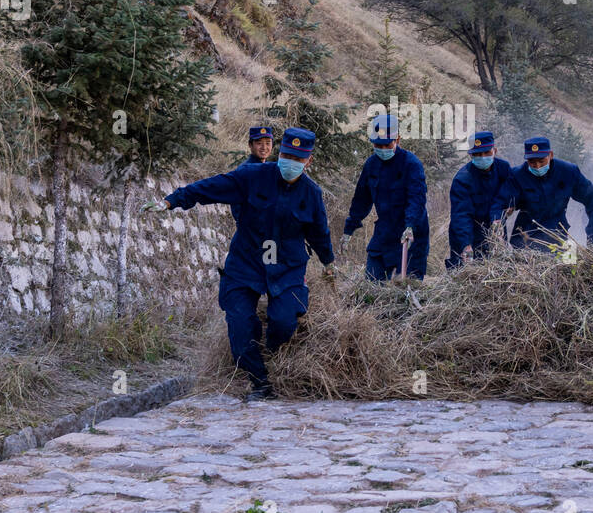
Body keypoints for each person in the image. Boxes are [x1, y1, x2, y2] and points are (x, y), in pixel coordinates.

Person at [158, 127, 333, 401]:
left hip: (286, 266)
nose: (290, 163)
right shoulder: (253, 176)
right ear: (279, 153)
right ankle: (260, 383)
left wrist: (328, 262)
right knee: (239, 325)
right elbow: (212, 186)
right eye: (286, 155)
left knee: (283, 322)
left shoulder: (311, 193)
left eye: (298, 159)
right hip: (246, 262)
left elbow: (319, 233)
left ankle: (272, 355)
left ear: (308, 161)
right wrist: (173, 200)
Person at [343, 113, 429, 280]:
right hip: (384, 230)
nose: (382, 150)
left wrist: (410, 225)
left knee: (406, 288)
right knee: (371, 283)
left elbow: (416, 199)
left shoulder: (411, 164)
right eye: (378, 145)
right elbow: (361, 199)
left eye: (387, 145)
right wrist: (349, 229)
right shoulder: (371, 164)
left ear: (398, 139)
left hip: (411, 233)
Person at [490, 136, 593, 250]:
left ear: (550, 155)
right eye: (532, 162)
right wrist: (498, 227)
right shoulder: (517, 175)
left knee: (565, 263)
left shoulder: (568, 172)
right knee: (523, 266)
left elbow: (591, 198)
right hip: (524, 236)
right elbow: (500, 204)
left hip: (557, 233)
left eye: (541, 161)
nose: (537, 166)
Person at [446, 130, 512, 268]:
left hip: (495, 228)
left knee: (498, 270)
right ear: (470, 155)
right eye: (477, 154)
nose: (482, 157)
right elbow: (461, 215)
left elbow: (508, 195)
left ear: (494, 150)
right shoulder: (463, 179)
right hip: (469, 230)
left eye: (487, 153)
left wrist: (509, 208)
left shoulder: (504, 169)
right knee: (465, 272)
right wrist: (466, 244)